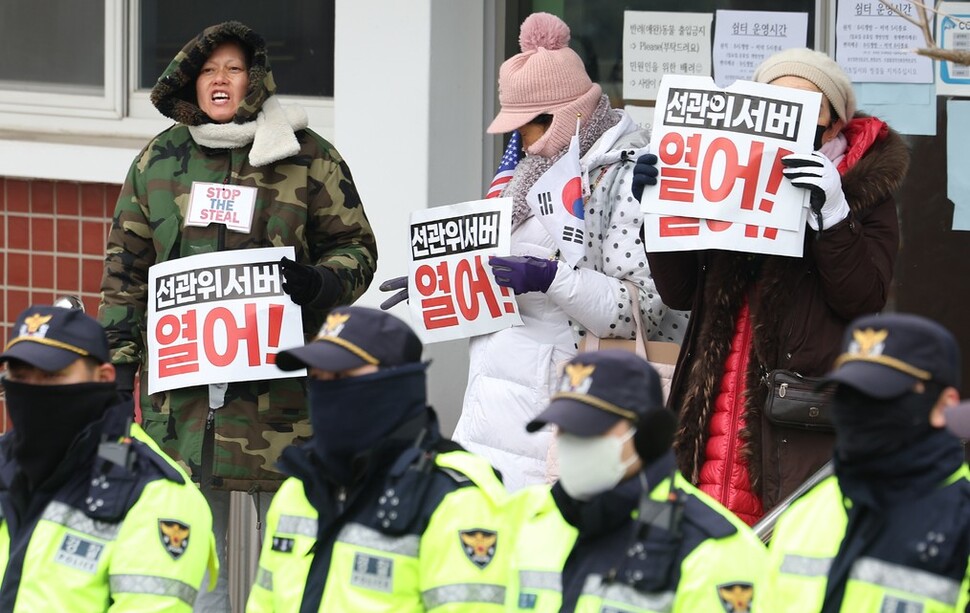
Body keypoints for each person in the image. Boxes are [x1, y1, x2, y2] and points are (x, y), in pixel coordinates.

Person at [97, 21, 377, 610]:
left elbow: (357, 248)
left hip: (285, 403)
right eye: (207, 71)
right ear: (189, 82)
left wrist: (322, 282)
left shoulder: (307, 155)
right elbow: (126, 273)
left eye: (232, 69)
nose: (220, 81)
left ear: (255, 79)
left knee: (291, 567)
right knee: (198, 572)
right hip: (186, 404)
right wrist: (120, 370)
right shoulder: (158, 160)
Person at [381, 12, 687, 491]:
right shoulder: (525, 173)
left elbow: (642, 309)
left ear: (566, 117)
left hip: (555, 416)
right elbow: (499, 275)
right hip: (491, 410)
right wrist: (438, 279)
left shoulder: (624, 179)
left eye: (526, 125)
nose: (517, 139)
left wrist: (549, 278)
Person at [636, 47, 909, 524]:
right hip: (711, 410)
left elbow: (863, 298)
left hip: (795, 428)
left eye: (808, 122)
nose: (792, 135)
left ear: (837, 126)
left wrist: (834, 214)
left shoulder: (865, 191)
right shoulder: (727, 179)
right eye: (778, 117)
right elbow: (679, 294)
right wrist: (658, 208)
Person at [246, 306, 512, 612]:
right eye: (318, 378)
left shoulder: (453, 498)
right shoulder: (300, 488)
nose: (326, 391)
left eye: (342, 376)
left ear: (395, 382)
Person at [505, 349, 766, 612]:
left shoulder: (715, 550)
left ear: (648, 435)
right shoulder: (524, 516)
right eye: (563, 426)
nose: (570, 441)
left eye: (588, 428)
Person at [0, 305, 216, 611]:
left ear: (103, 377)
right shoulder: (6, 466)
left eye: (51, 375)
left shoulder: (155, 493)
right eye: (20, 377)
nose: (32, 391)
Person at [762, 313, 970, 612]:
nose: (859, 411)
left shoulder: (962, 524)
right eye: (849, 395)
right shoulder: (804, 514)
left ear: (945, 406)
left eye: (881, 396)